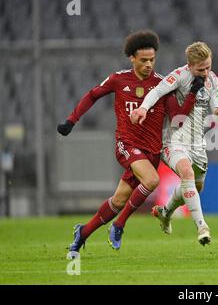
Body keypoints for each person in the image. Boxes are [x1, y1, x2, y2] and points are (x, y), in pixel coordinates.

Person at [58, 30, 197, 258]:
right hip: (127, 144)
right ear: (132, 58)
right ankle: (120, 225)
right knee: (152, 180)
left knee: (118, 200)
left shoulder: (163, 84)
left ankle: (82, 233)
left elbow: (177, 116)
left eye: (152, 60)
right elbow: (92, 95)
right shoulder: (118, 79)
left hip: (151, 151)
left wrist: (192, 93)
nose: (148, 64)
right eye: (143, 60)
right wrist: (72, 120)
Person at [131, 42, 218, 245]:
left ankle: (165, 212)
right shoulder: (179, 75)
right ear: (190, 65)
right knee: (187, 173)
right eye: (200, 69)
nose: (205, 72)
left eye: (208, 67)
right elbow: (157, 92)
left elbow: (217, 111)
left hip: (198, 144)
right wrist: (143, 108)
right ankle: (202, 227)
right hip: (173, 140)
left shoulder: (213, 80)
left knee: (195, 186)